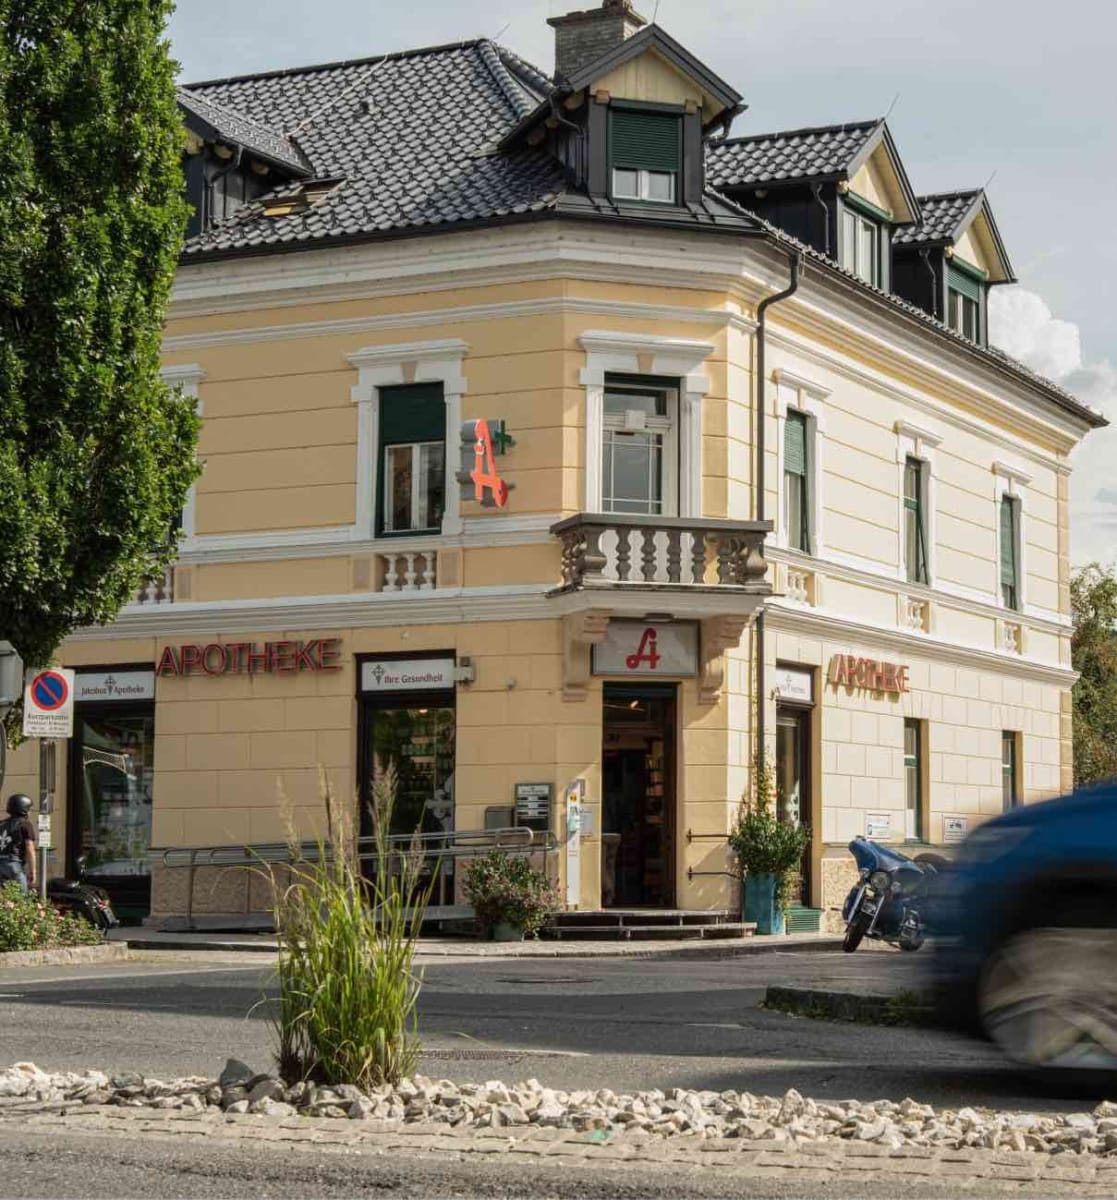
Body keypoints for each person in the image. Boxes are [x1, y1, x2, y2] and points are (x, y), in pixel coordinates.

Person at [0, 794, 37, 893]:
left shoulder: (1, 824)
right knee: (21, 897)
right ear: (23, 809)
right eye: (29, 809)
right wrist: (32, 871)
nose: (30, 812)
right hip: (13, 864)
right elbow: (30, 848)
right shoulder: (25, 824)